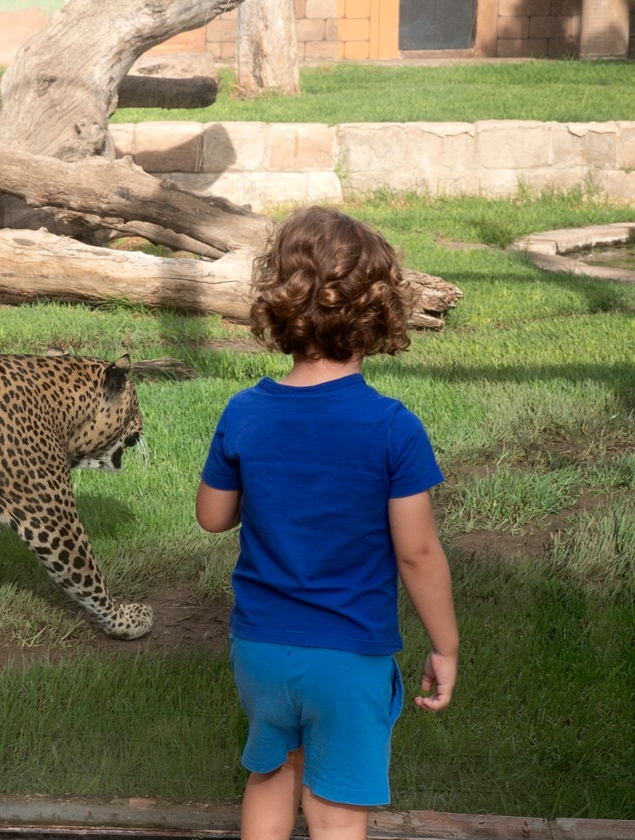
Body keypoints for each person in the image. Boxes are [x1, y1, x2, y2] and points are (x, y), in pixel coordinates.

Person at [195, 206, 459, 840]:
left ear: (277, 303)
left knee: (271, 775)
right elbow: (418, 554)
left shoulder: (245, 412)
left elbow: (212, 517)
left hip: (261, 648)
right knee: (337, 807)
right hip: (348, 654)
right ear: (378, 311)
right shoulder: (393, 427)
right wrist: (445, 647)